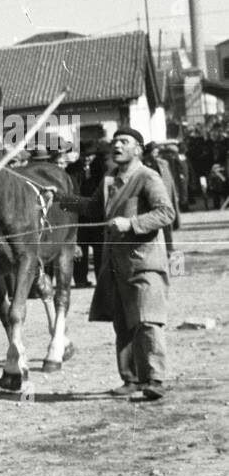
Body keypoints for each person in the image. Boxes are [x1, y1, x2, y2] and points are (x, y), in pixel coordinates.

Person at [72, 127, 176, 402]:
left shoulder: (147, 177)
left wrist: (132, 224)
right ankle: (130, 379)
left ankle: (155, 379)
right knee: (123, 323)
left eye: (124, 141)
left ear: (138, 149)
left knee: (147, 320)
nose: (117, 145)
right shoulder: (109, 180)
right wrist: (60, 198)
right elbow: (93, 208)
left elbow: (166, 213)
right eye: (115, 141)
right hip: (115, 265)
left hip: (145, 262)